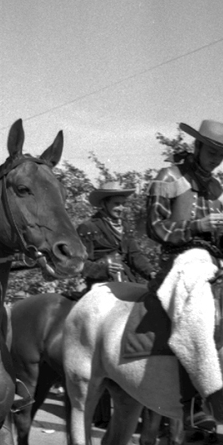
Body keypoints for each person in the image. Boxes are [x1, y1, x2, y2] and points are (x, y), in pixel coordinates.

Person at [146, 119, 223, 430]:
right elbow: (154, 227)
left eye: (222, 154)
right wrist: (196, 226)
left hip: (212, 261)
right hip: (180, 260)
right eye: (212, 151)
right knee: (199, 303)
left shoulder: (216, 188)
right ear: (198, 146)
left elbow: (221, 241)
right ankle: (201, 396)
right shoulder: (168, 176)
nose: (217, 159)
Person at [77, 181, 156, 427]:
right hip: (101, 287)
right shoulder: (88, 228)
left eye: (123, 204)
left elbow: (135, 257)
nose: (121, 208)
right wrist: (102, 268)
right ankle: (99, 410)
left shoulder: (125, 228)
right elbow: (79, 264)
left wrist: (153, 274)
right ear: (104, 204)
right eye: (117, 204)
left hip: (127, 283)